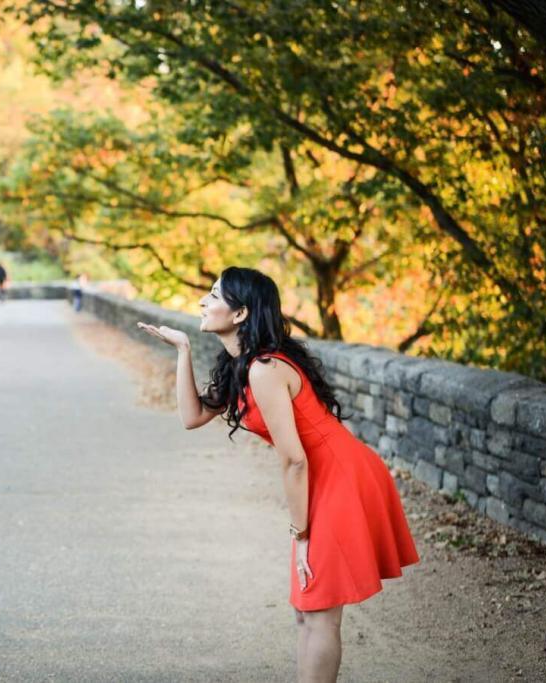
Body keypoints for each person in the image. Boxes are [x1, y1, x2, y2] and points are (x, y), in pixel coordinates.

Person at [138, 266, 418, 683]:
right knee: (306, 609)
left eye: (214, 296)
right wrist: (183, 350)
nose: (203, 301)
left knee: (319, 612)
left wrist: (301, 535)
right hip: (325, 475)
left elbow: (296, 461)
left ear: (240, 314)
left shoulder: (264, 369)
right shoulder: (243, 365)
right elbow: (191, 416)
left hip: (342, 477)